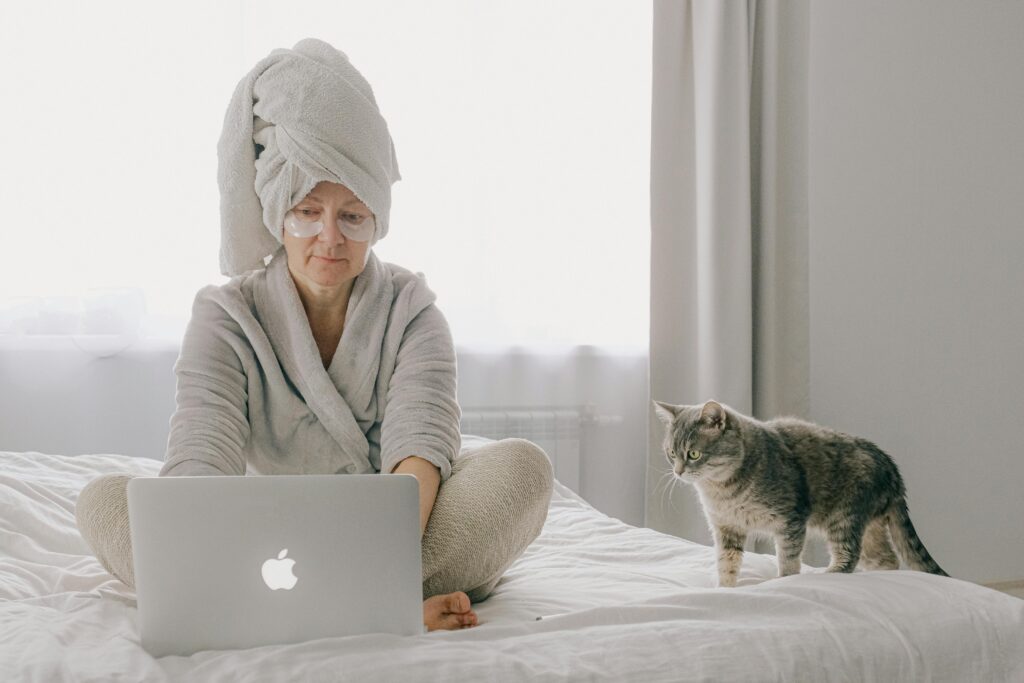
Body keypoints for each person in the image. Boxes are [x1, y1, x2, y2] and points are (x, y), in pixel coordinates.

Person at [74, 37, 553, 633]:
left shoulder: (414, 311)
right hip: (262, 540)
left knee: (521, 471)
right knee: (103, 502)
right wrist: (195, 532)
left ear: (376, 220)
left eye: (352, 216)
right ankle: (381, 608)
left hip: (395, 537)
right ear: (277, 211)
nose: (330, 238)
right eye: (307, 210)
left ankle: (269, 607)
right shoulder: (226, 316)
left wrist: (367, 566)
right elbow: (203, 457)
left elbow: (419, 452)